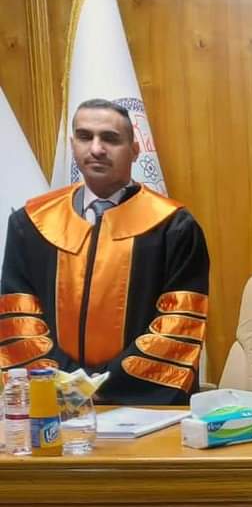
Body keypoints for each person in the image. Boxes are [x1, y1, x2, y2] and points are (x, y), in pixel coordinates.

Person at [0, 98, 210, 404]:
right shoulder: (31, 223)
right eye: (85, 136)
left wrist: (100, 388)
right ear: (72, 145)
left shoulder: (173, 227)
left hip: (142, 406)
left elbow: (177, 325)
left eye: (110, 139)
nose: (96, 149)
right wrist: (69, 385)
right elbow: (20, 320)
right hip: (55, 404)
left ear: (134, 150)